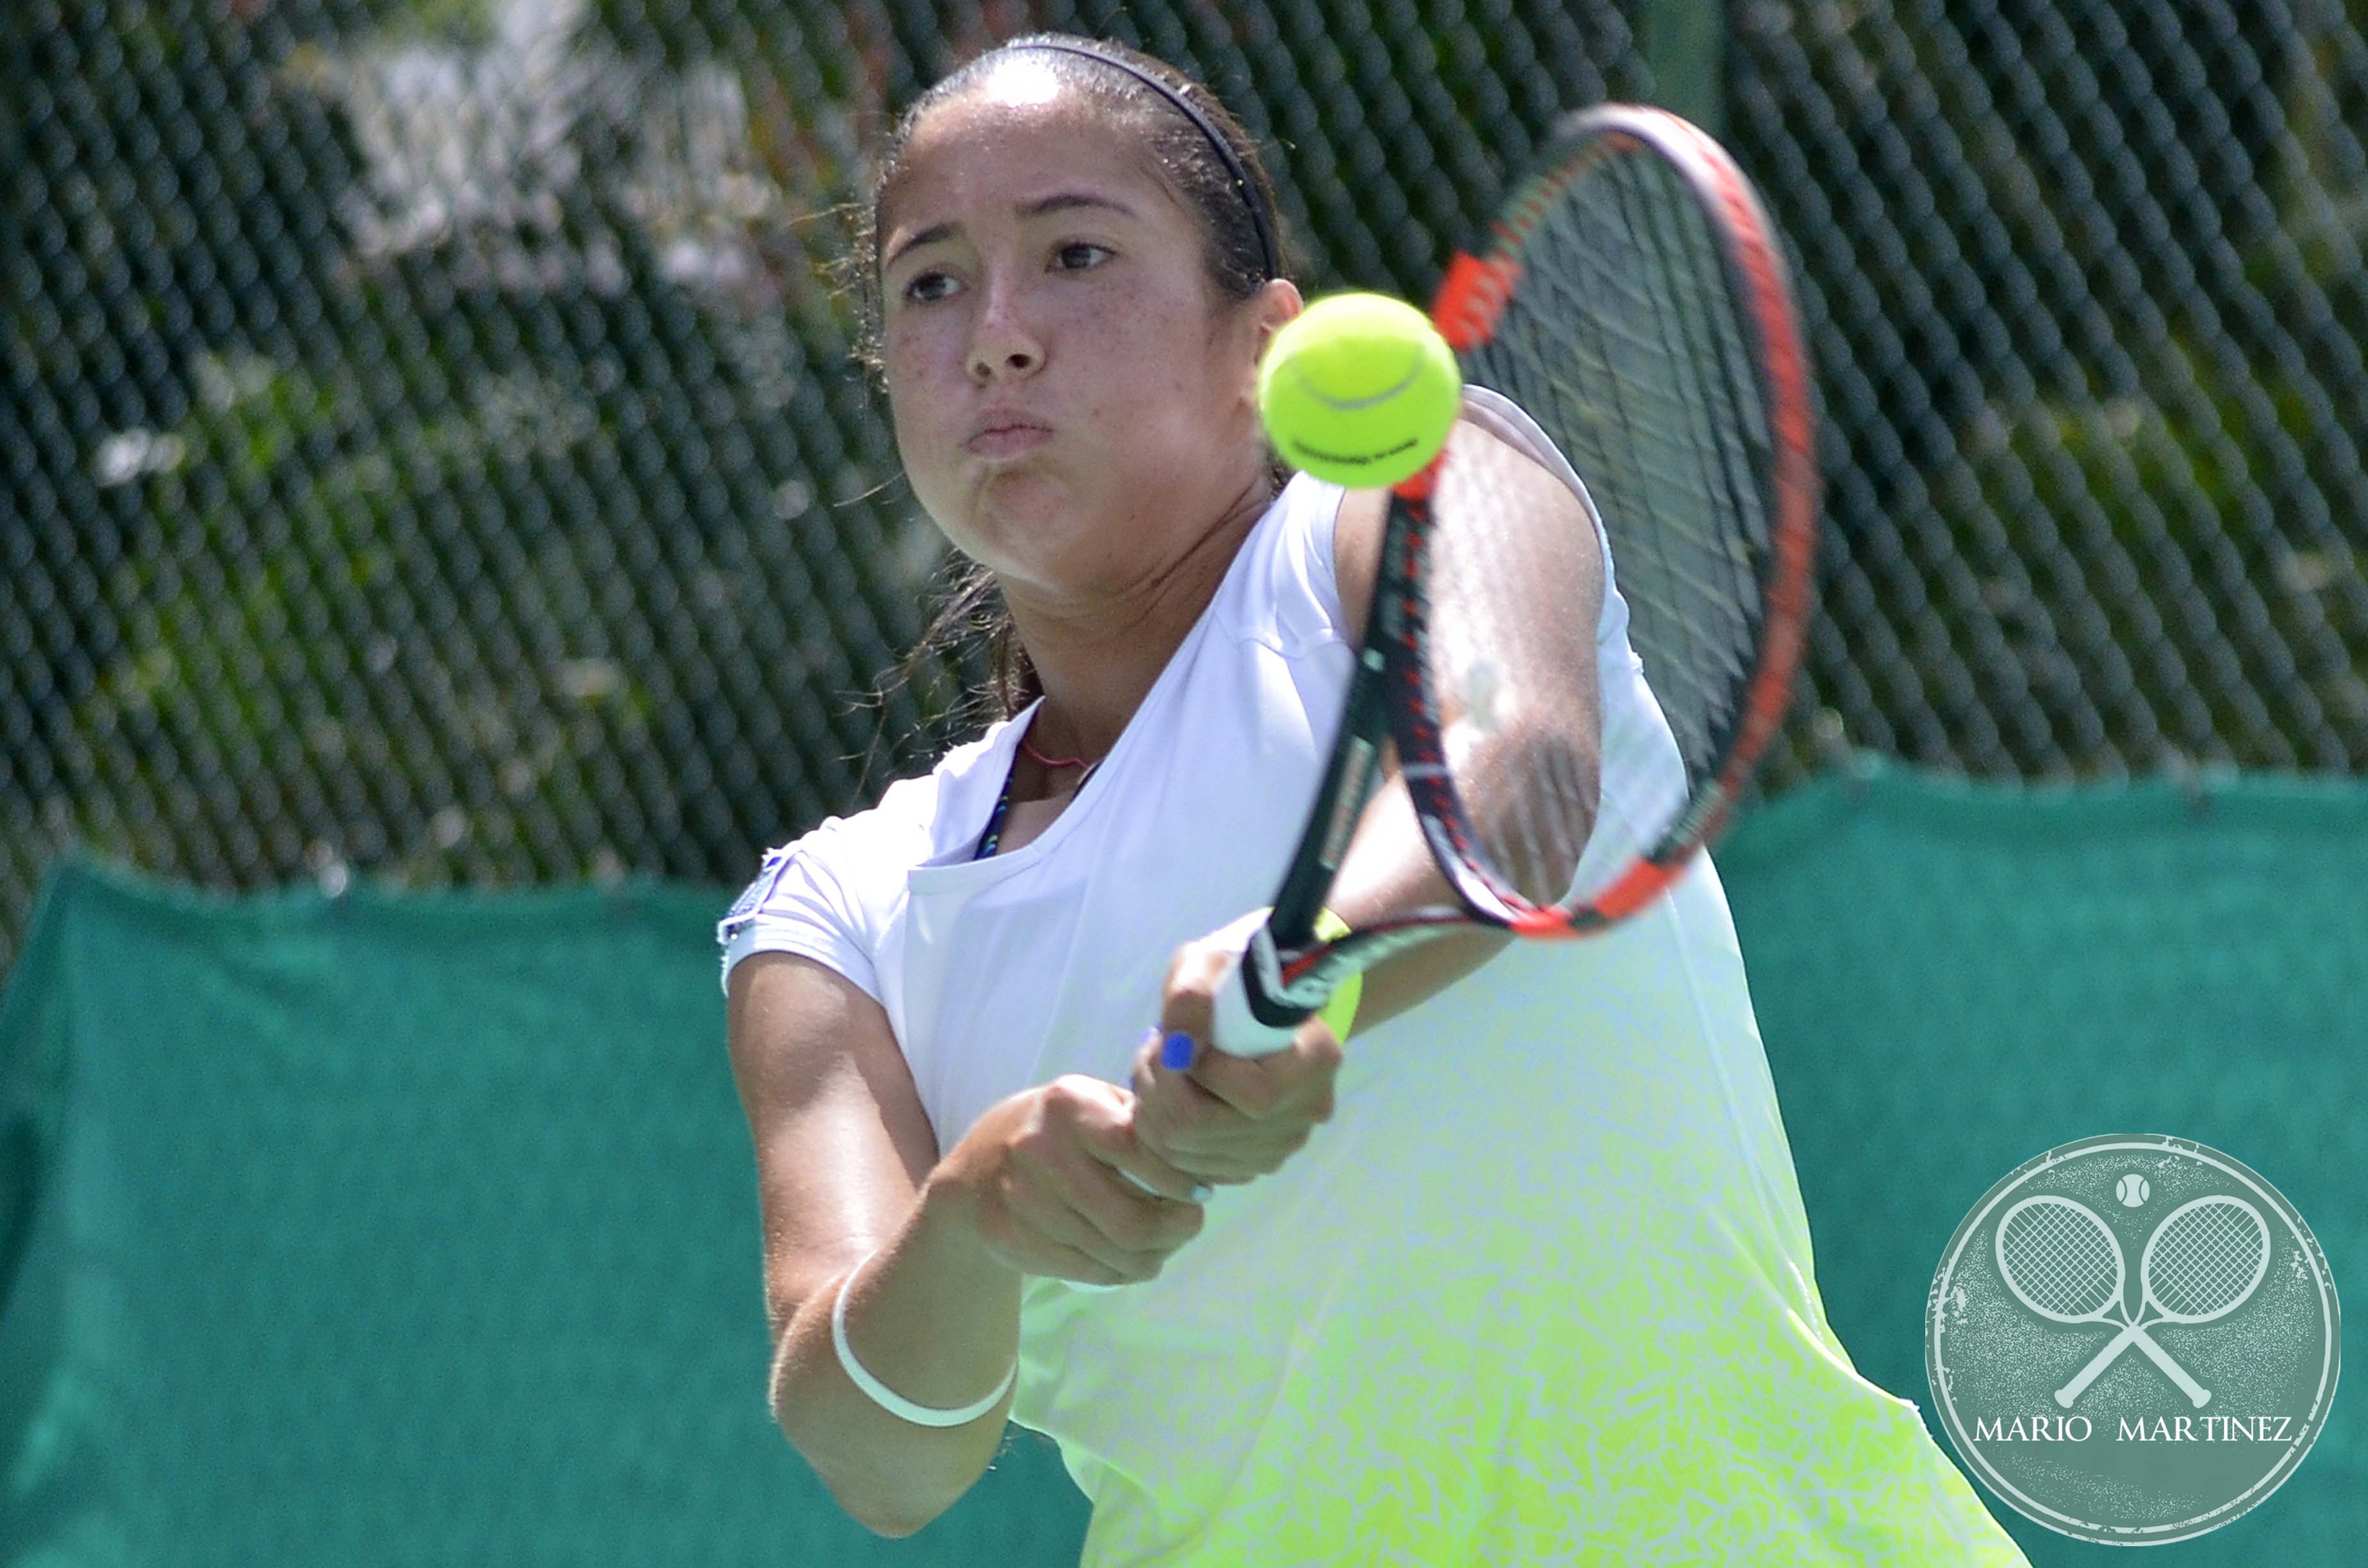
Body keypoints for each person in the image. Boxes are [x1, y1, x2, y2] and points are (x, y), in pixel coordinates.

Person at [718, 32, 2031, 1567]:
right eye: (930, 284)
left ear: (1264, 343)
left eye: (1075, 253)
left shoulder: (1419, 500)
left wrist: (1318, 958)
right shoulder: (839, 919)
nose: (998, 334)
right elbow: (879, 1459)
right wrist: (979, 1218)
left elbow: (1516, 775)